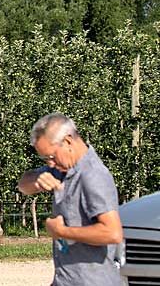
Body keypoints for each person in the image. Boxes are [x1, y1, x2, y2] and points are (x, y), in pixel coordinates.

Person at [18, 113, 123, 286]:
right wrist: (37, 181)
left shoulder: (93, 175)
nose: (50, 163)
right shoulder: (62, 169)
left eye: (51, 156)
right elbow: (23, 185)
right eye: (45, 159)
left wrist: (61, 232)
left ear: (67, 142)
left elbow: (112, 232)